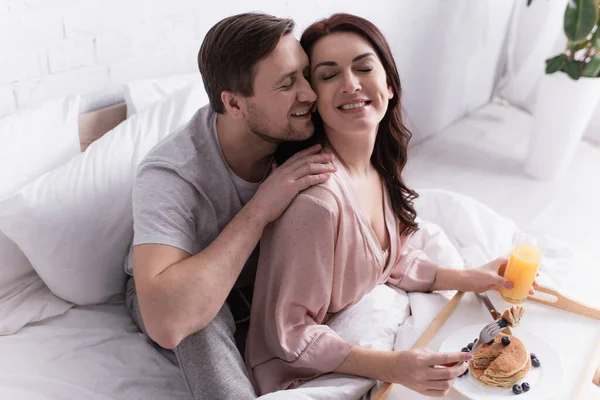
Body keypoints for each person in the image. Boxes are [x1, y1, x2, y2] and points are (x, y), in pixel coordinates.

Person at [245, 13, 535, 398]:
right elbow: (289, 334)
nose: (350, 84)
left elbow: (387, 258)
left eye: (363, 67)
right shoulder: (317, 204)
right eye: (328, 75)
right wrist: (395, 367)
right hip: (299, 373)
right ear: (312, 100)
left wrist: (468, 276)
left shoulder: (375, 167)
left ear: (390, 85)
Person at [124, 13, 337, 400]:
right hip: (173, 286)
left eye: (305, 74)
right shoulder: (170, 174)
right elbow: (168, 320)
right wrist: (260, 209)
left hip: (262, 279)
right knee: (197, 317)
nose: (309, 94)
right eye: (288, 83)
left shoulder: (301, 129)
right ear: (235, 104)